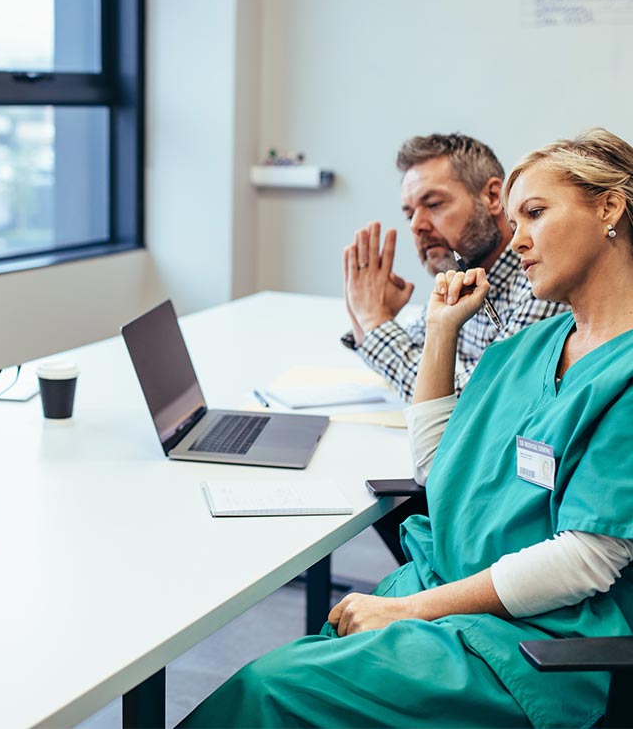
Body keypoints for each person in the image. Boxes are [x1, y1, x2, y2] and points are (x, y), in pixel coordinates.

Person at [181, 128, 633, 728]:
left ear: (609, 207)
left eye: (534, 213)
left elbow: (586, 560)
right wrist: (441, 331)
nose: (517, 240)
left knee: (270, 690)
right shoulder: (532, 347)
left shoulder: (622, 374)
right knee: (295, 671)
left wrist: (414, 610)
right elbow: (439, 470)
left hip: (525, 644)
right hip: (445, 589)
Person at [342, 133, 566, 401]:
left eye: (434, 204)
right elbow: (417, 355)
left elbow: (470, 400)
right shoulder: (461, 273)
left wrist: (373, 322)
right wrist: (367, 313)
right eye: (409, 214)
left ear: (493, 197)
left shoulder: (541, 280)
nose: (416, 225)